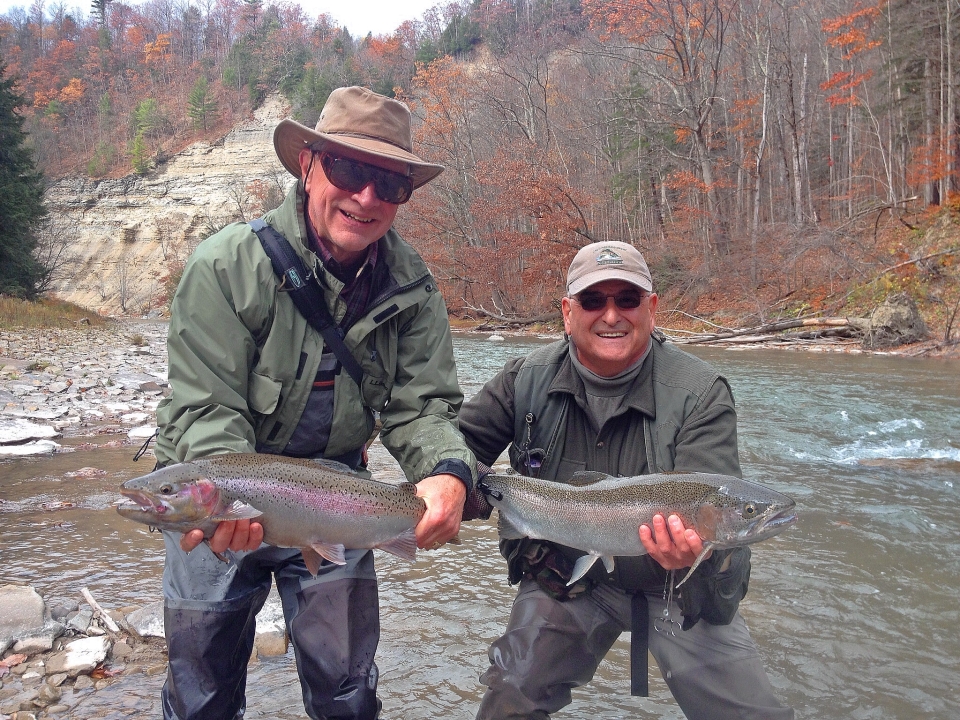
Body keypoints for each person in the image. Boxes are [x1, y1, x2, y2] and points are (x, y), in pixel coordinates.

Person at [153, 86, 475, 720]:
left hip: (340, 500)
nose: (366, 198)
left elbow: (423, 408)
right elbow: (204, 408)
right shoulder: (225, 266)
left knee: (347, 695)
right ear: (308, 166)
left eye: (390, 185)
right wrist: (226, 496)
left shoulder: (412, 286)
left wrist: (446, 474)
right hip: (223, 492)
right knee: (201, 694)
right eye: (350, 171)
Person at [459, 241, 793, 719]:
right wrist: (448, 489)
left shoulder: (700, 393)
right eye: (594, 301)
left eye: (627, 300)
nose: (611, 315)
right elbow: (455, 452)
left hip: (677, 587)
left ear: (652, 309)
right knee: (510, 694)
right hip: (568, 579)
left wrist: (695, 551)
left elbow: (712, 489)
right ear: (568, 312)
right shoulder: (524, 379)